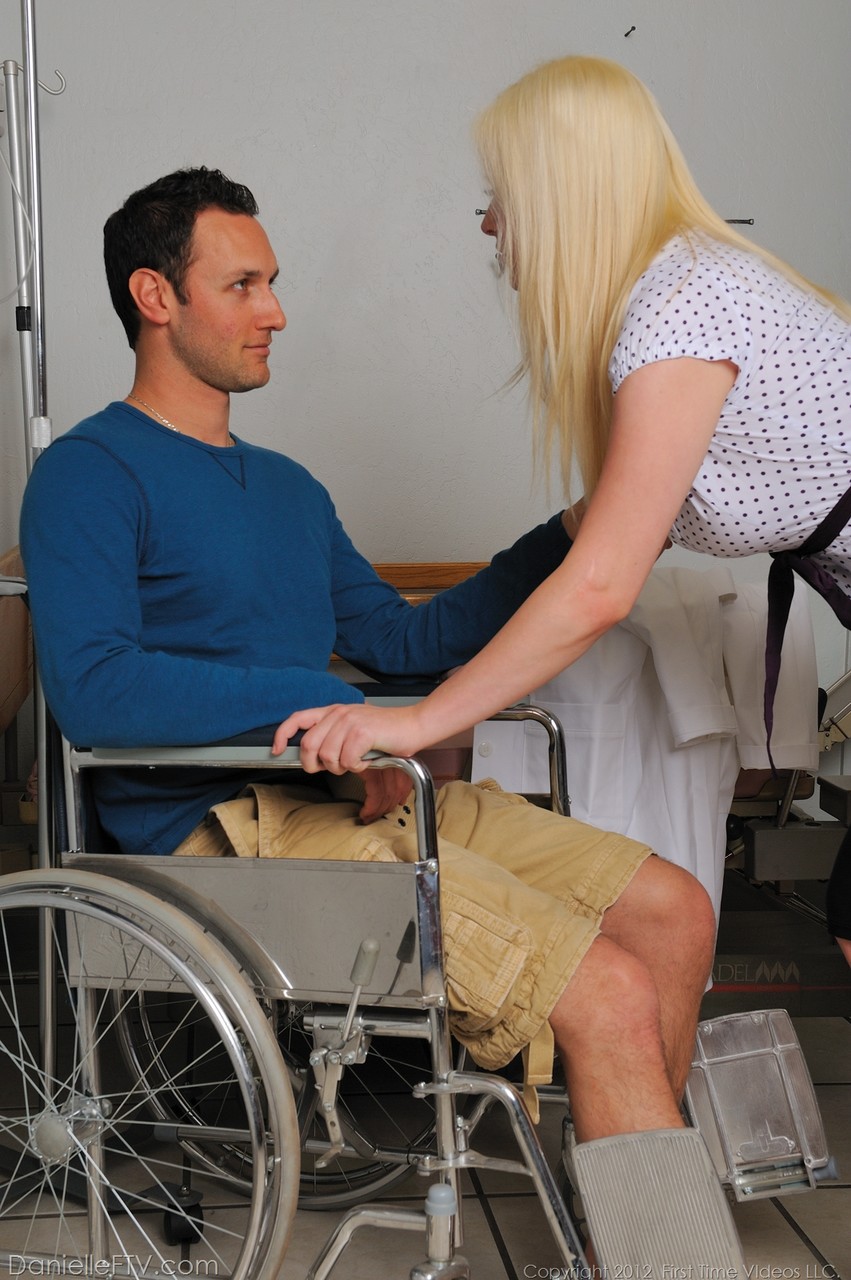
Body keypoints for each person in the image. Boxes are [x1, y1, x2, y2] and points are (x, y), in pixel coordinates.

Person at [20, 167, 716, 1154]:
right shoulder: (86, 473)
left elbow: (401, 642)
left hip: (347, 790)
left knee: (670, 912)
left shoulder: (288, 488)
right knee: (601, 987)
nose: (275, 312)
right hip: (217, 828)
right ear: (154, 296)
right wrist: (319, 704)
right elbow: (94, 689)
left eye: (272, 283)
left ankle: (625, 1183)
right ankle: (647, 1224)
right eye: (242, 285)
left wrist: (576, 530)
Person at [276, 56, 851, 966]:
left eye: (498, 196)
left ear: (557, 193)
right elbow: (582, 540)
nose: (487, 223)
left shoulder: (681, 311)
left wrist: (417, 725)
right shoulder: (687, 290)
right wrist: (415, 653)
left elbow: (597, 587)